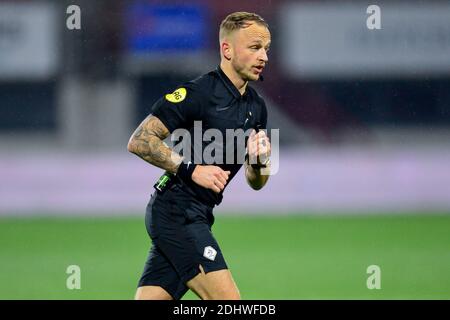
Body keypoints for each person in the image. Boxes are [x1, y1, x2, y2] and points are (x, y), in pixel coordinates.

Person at [127, 11, 272, 300]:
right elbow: (140, 140)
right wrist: (190, 169)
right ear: (227, 50)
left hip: (198, 215)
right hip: (176, 211)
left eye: (267, 48)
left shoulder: (257, 107)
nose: (264, 57)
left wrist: (259, 162)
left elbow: (256, 182)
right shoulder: (199, 93)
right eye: (255, 47)